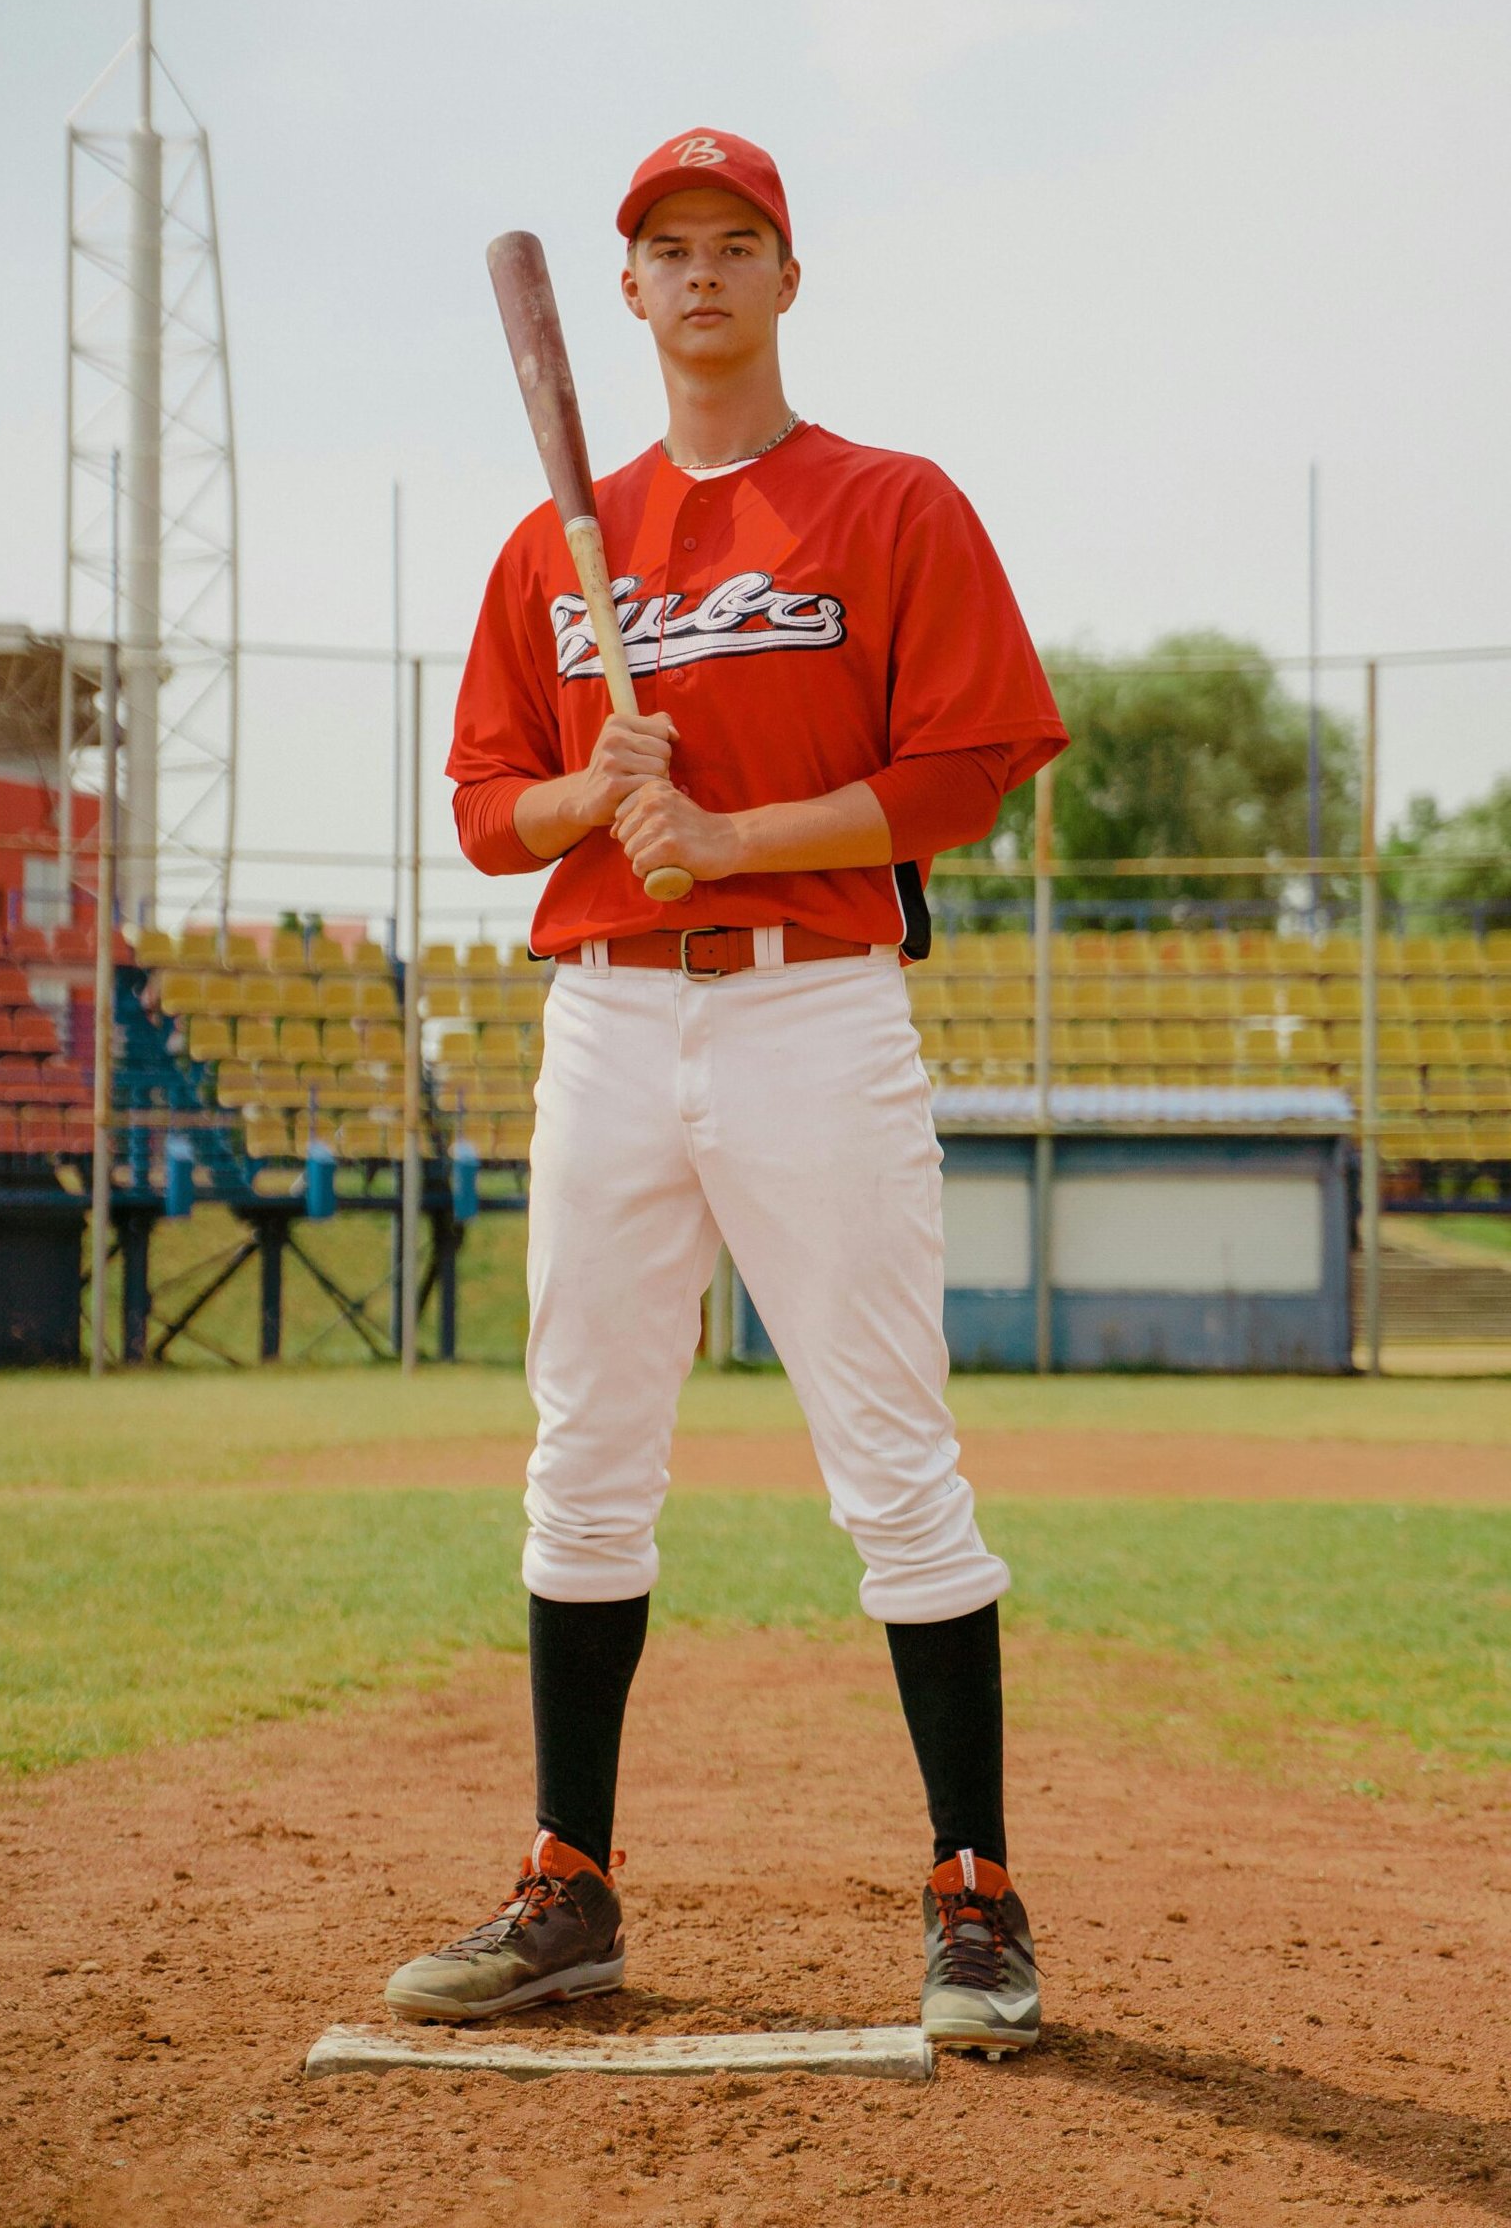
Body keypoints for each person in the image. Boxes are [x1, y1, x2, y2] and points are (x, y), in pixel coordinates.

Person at [385, 128, 1067, 2052]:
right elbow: (483, 812)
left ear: (787, 275)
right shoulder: (556, 545)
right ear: (624, 294)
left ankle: (976, 1895)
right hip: (604, 1020)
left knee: (892, 1456)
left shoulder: (885, 505)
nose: (698, 276)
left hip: (814, 1010)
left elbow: (963, 772)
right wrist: (596, 802)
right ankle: (565, 1886)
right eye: (666, 249)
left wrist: (733, 826)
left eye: (734, 243)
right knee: (584, 1454)